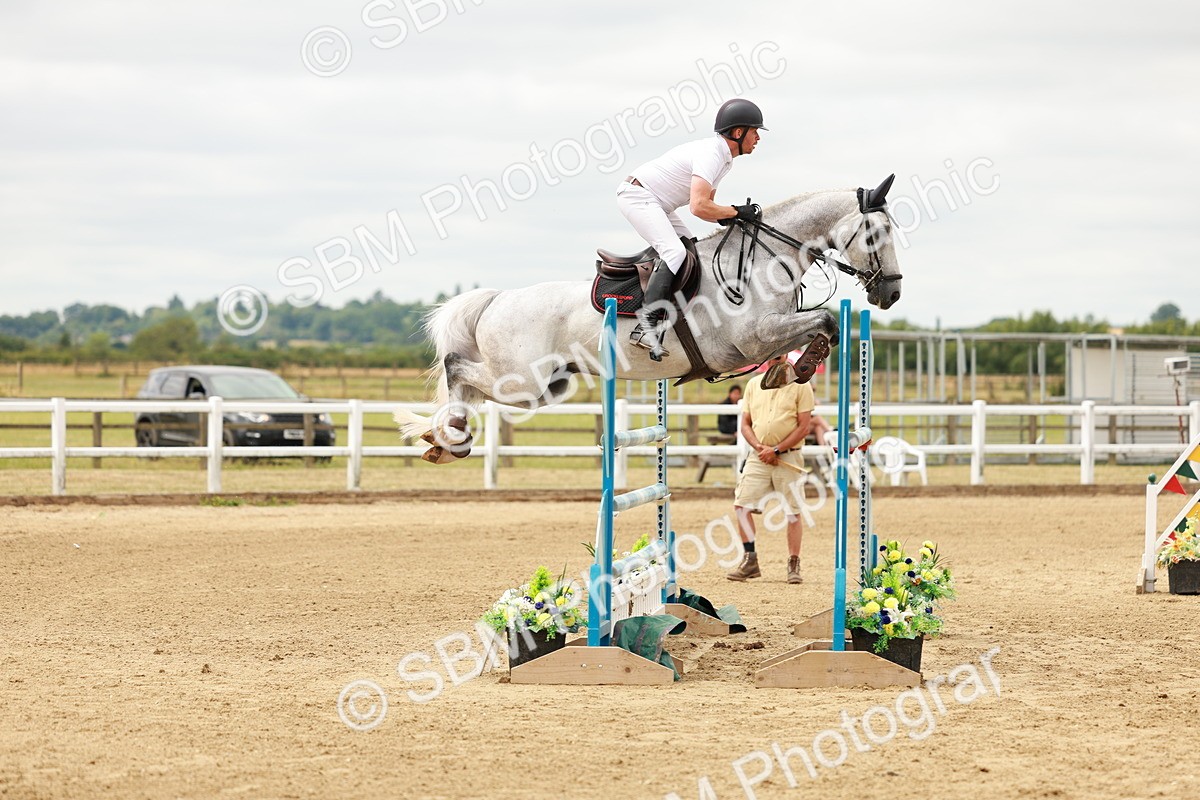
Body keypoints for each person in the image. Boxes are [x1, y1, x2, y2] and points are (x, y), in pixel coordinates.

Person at [617, 98, 767, 361]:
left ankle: (676, 315)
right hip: (638, 196)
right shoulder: (712, 154)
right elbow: (698, 207)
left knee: (691, 250)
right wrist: (735, 211)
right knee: (675, 252)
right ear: (738, 132)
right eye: (755, 131)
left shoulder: (725, 160)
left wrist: (736, 217)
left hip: (657, 203)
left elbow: (708, 208)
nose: (758, 138)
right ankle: (645, 327)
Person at [726, 353, 815, 584]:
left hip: (788, 456)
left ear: (786, 356)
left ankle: (794, 562)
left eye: (779, 355)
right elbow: (745, 424)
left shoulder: (801, 386)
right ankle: (750, 559)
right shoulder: (753, 384)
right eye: (772, 355)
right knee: (741, 505)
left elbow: (804, 427)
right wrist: (760, 448)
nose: (775, 359)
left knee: (793, 512)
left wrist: (776, 449)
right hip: (759, 456)